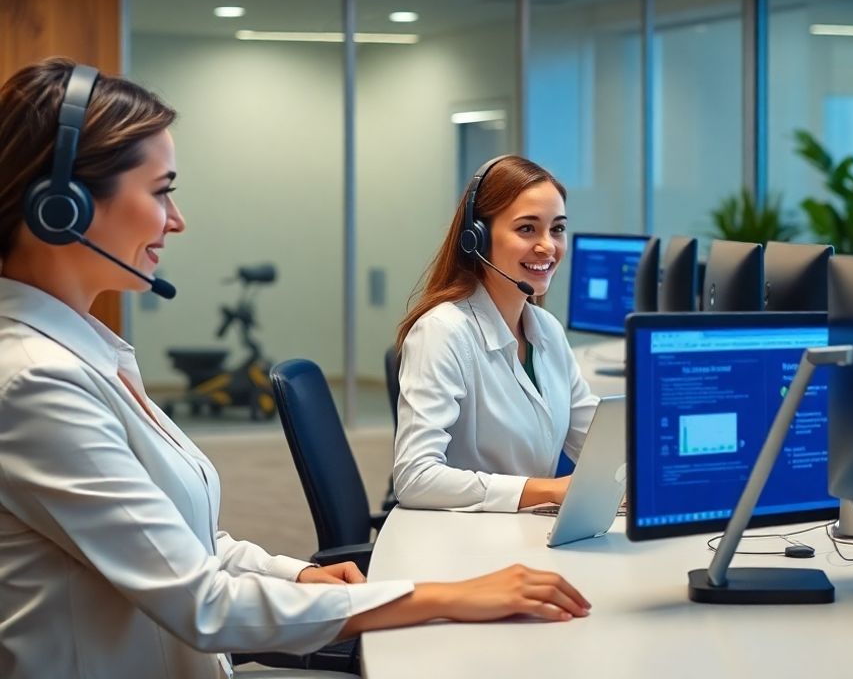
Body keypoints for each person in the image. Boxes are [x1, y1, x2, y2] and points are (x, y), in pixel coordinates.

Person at [0, 59, 589, 679]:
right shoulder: (38, 382)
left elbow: (187, 543)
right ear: (60, 208)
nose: (176, 219)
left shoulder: (90, 354)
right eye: (161, 190)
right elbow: (201, 603)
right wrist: (446, 596)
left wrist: (297, 572)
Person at [392, 154, 598, 512]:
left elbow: (596, 439)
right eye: (527, 228)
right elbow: (414, 476)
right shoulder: (442, 332)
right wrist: (546, 491)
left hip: (527, 532)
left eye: (558, 228)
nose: (548, 246)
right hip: (462, 542)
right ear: (477, 238)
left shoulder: (545, 329)